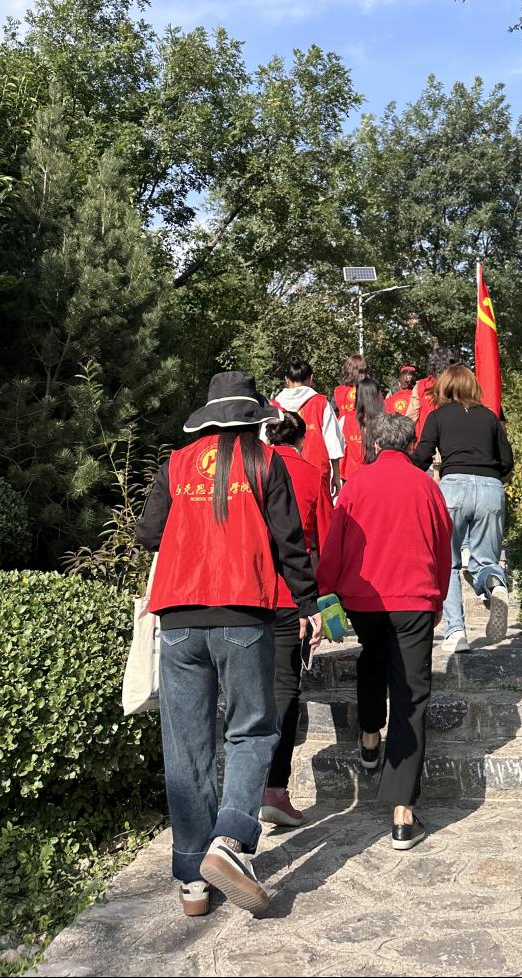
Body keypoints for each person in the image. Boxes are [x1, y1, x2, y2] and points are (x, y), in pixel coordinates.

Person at [137, 371, 323, 918]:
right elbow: (291, 544)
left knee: (186, 743)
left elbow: (148, 535)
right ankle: (230, 839)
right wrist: (310, 605)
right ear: (253, 419)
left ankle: (193, 881)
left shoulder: (175, 464)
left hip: (178, 616)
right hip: (243, 610)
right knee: (252, 729)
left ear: (209, 418)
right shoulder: (266, 463)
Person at [317, 412, 452, 851]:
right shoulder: (426, 486)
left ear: (375, 445)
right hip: (414, 597)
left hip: (365, 599)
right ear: (412, 444)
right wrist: (438, 598)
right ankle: (402, 814)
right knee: (411, 696)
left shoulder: (356, 484)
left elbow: (335, 542)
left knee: (372, 660)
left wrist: (325, 591)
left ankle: (370, 736)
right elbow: (443, 545)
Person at [260, 410, 334, 830]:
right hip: (291, 596)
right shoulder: (310, 473)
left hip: (246, 592)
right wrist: (320, 601)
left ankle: (244, 788)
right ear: (302, 440)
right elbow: (326, 537)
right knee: (285, 688)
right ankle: (274, 789)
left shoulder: (250, 470)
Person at [413, 363, 514, 654]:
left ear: (444, 387)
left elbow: (422, 457)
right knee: (485, 560)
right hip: (491, 489)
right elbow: (507, 462)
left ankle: (456, 631)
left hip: (453, 488)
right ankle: (494, 584)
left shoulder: (437, 416)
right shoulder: (490, 417)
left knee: (448, 562)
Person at [273, 356, 345, 495]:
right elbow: (333, 442)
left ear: (286, 380)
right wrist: (336, 475)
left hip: (281, 474)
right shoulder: (321, 403)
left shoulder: (275, 406)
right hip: (316, 473)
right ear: (311, 379)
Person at [338, 375, 385, 481]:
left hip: (350, 478)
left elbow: (338, 449)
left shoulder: (345, 420)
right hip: (376, 477)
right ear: (377, 396)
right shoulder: (385, 423)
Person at [405, 347, 458, 441]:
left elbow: (411, 417)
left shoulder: (421, 386)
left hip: (427, 440)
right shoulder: (458, 384)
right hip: (453, 439)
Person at [331, 353, 368, 419]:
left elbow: (333, 413)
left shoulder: (338, 390)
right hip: (362, 424)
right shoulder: (367, 388)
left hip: (343, 424)